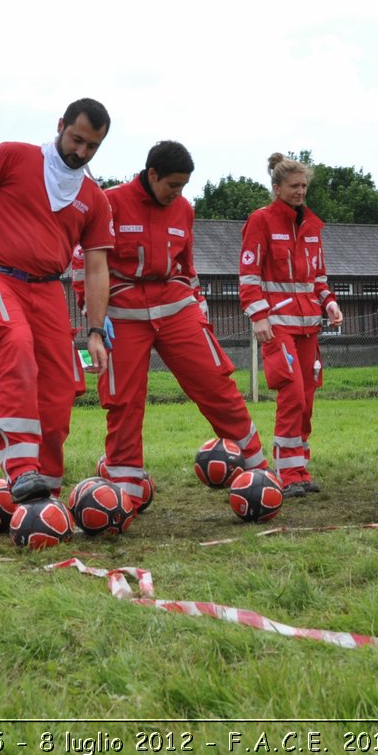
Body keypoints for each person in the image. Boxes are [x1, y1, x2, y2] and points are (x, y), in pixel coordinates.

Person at [0, 98, 115, 505]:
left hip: (48, 289)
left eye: (92, 147)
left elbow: (98, 268)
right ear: (60, 124)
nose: (80, 152)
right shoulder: (11, 156)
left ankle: (43, 490)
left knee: (60, 384)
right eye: (76, 139)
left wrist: (97, 330)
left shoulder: (95, 199)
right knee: (15, 342)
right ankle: (21, 469)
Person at [71, 141, 268, 509]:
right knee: (124, 400)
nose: (178, 194)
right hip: (124, 317)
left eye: (184, 187)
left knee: (215, 382)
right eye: (172, 185)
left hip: (177, 310)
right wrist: (92, 312)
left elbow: (187, 268)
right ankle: (126, 486)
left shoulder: (185, 210)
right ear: (152, 175)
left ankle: (256, 466)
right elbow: (85, 263)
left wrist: (200, 308)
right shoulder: (108, 202)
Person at [239, 153, 343, 497]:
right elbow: (249, 274)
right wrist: (259, 316)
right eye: (294, 186)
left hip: (309, 325)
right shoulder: (261, 221)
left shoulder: (313, 225)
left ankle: (300, 467)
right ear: (277, 187)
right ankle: (286, 474)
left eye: (304, 186)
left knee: (308, 399)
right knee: (292, 394)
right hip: (277, 326)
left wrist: (329, 303)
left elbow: (318, 276)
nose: (301, 191)